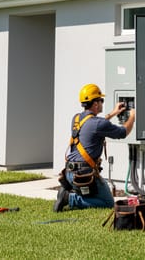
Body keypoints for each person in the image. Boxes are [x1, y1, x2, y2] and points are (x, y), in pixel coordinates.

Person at [54, 83, 135, 212]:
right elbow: (122, 132)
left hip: (69, 173)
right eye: (101, 100)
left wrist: (114, 113)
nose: (102, 103)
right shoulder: (98, 124)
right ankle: (69, 198)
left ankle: (69, 189)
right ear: (96, 104)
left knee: (92, 194)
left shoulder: (76, 118)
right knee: (107, 202)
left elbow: (95, 124)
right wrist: (132, 116)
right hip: (84, 175)